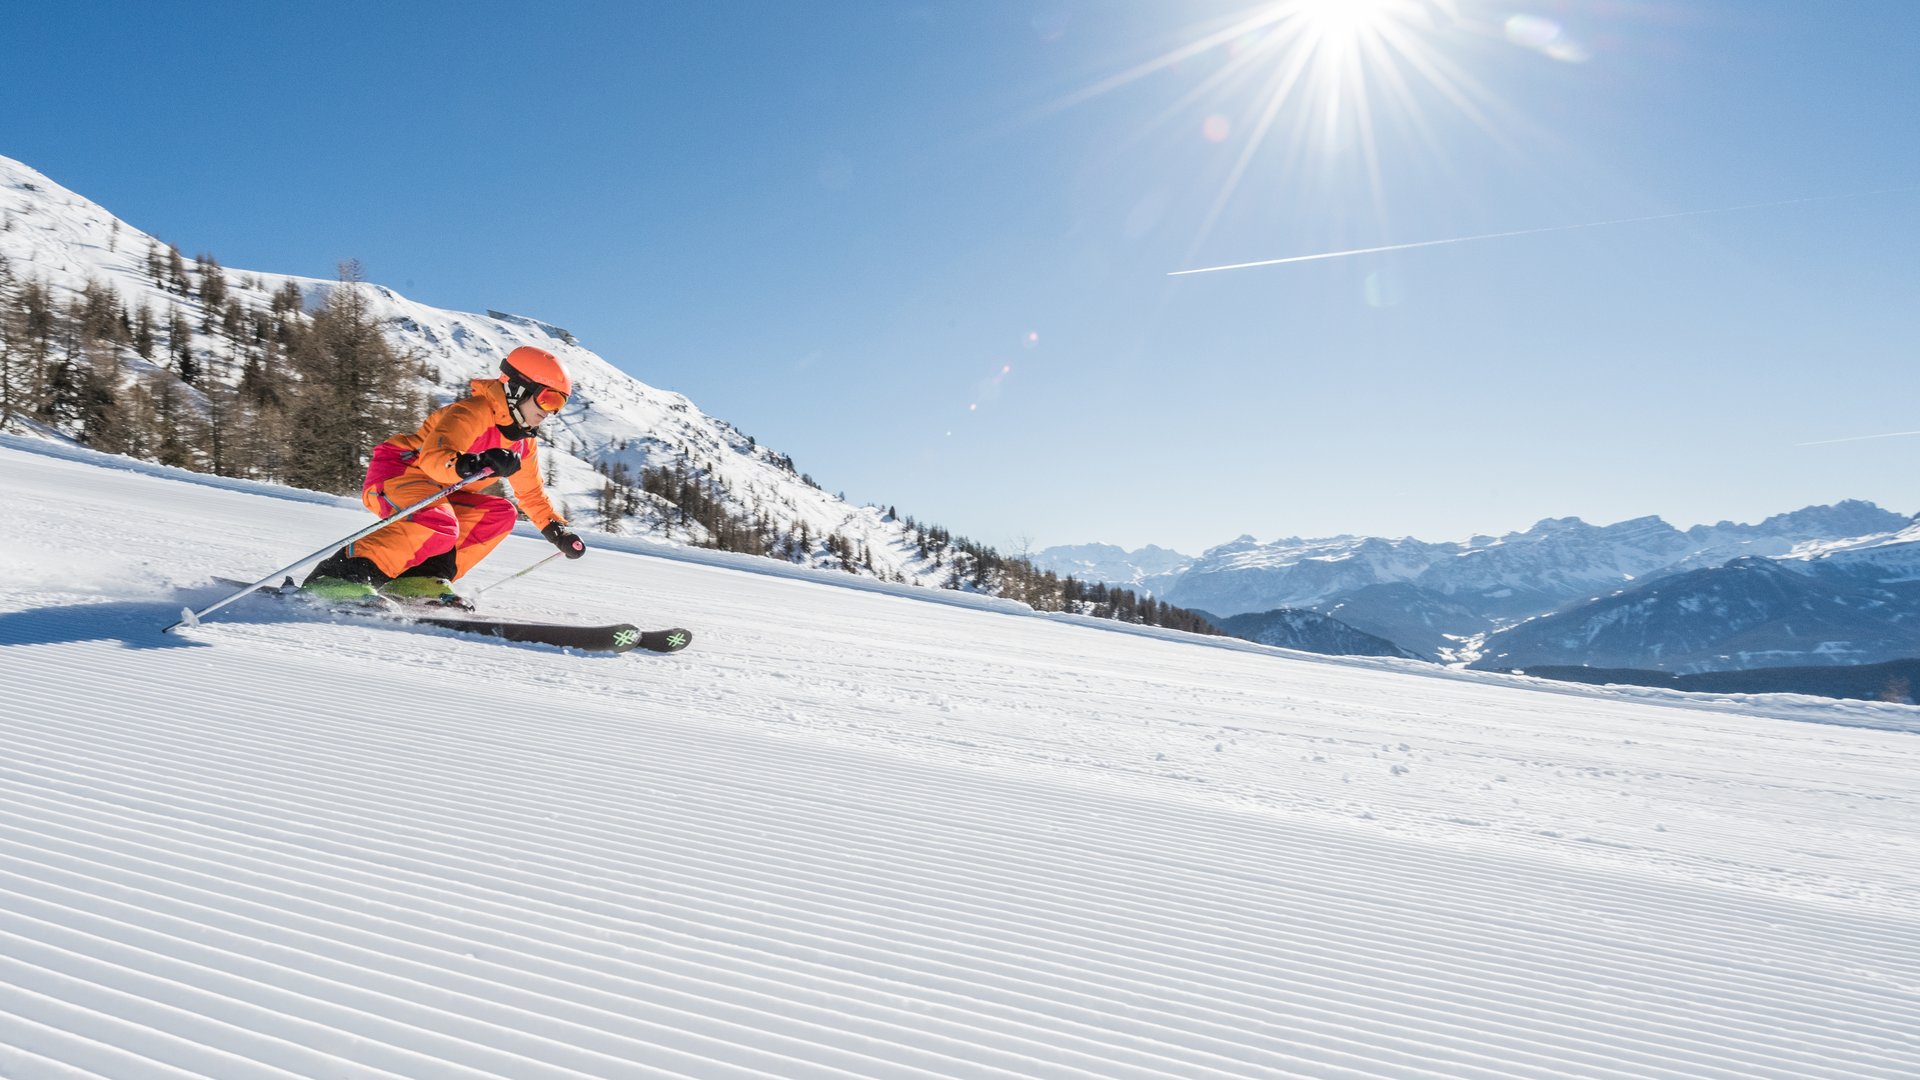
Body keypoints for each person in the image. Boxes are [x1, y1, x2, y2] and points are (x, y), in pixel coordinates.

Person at [302, 345, 586, 605]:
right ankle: (338, 578)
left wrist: (557, 530)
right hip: (399, 472)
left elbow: (531, 495)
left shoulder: (523, 442)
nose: (551, 411)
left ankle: (418, 579)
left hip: (445, 490)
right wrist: (476, 462)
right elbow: (433, 459)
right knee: (437, 519)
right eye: (548, 399)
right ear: (518, 388)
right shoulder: (472, 413)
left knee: (499, 514)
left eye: (559, 404)